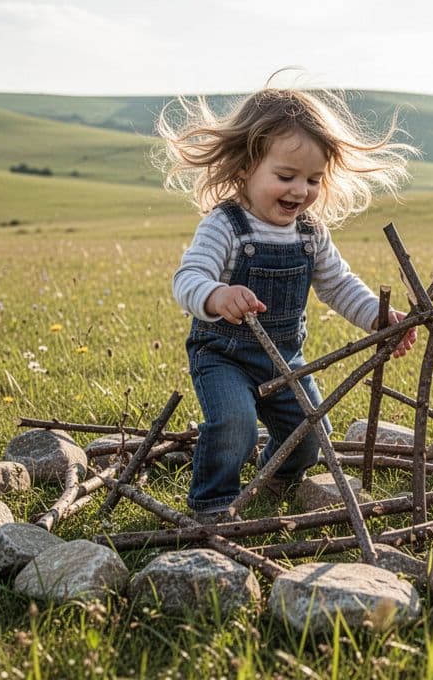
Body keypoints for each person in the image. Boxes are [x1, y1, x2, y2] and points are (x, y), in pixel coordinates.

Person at [160, 80, 419, 522]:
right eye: (286, 177)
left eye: (313, 179)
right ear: (245, 167)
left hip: (285, 359)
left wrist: (379, 318)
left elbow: (338, 285)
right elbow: (188, 279)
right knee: (233, 428)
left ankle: (273, 479)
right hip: (224, 356)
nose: (300, 190)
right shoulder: (225, 225)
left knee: (310, 433)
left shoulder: (310, 232)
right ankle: (212, 504)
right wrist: (216, 295)